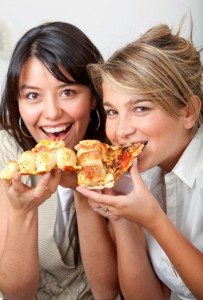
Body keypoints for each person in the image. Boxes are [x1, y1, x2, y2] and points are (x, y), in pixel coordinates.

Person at [0, 21, 120, 300]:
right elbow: (16, 293)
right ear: (18, 102)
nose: (52, 113)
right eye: (33, 95)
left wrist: (83, 189)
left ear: (93, 96)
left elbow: (107, 292)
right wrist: (23, 211)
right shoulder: (1, 154)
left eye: (67, 92)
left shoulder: (114, 157)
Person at [76, 20, 203, 299]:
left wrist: (154, 220)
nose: (121, 131)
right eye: (112, 112)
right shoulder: (142, 173)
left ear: (188, 112)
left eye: (141, 108)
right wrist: (122, 218)